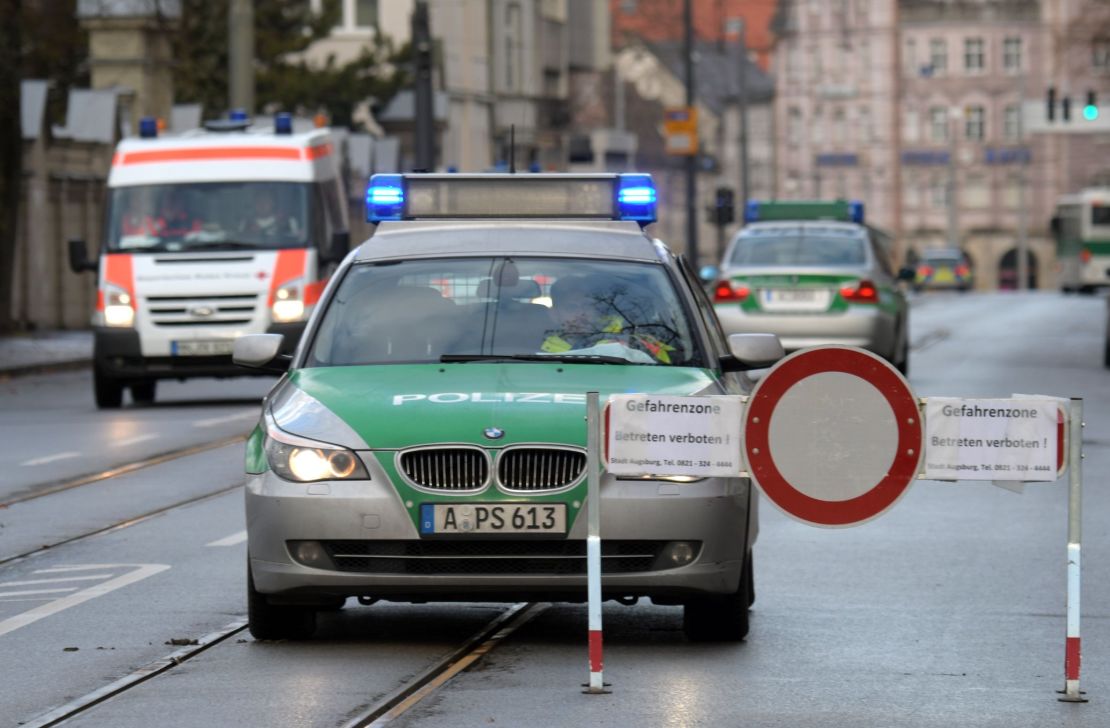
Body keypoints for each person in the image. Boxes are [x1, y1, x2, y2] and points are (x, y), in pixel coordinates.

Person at [541, 275, 675, 363]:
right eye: (571, 308)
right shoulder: (541, 354)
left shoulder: (632, 334)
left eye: (588, 305)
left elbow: (667, 366)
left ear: (598, 309)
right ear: (554, 315)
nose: (581, 313)